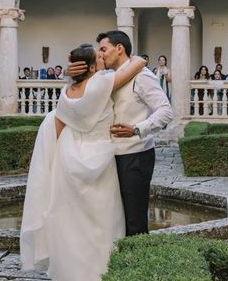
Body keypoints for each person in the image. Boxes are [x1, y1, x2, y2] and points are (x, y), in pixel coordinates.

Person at [21, 44, 147, 281]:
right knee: (102, 229)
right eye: (98, 56)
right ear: (90, 67)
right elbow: (138, 63)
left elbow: (58, 127)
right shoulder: (101, 84)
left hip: (69, 161)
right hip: (99, 162)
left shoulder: (67, 93)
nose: (103, 57)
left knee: (73, 229)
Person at [68, 30, 173, 237]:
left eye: (104, 49)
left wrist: (137, 128)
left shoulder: (143, 77)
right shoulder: (107, 77)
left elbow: (166, 111)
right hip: (109, 157)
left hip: (135, 155)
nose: (101, 55)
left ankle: (136, 262)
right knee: (115, 218)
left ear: (119, 49)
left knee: (134, 219)